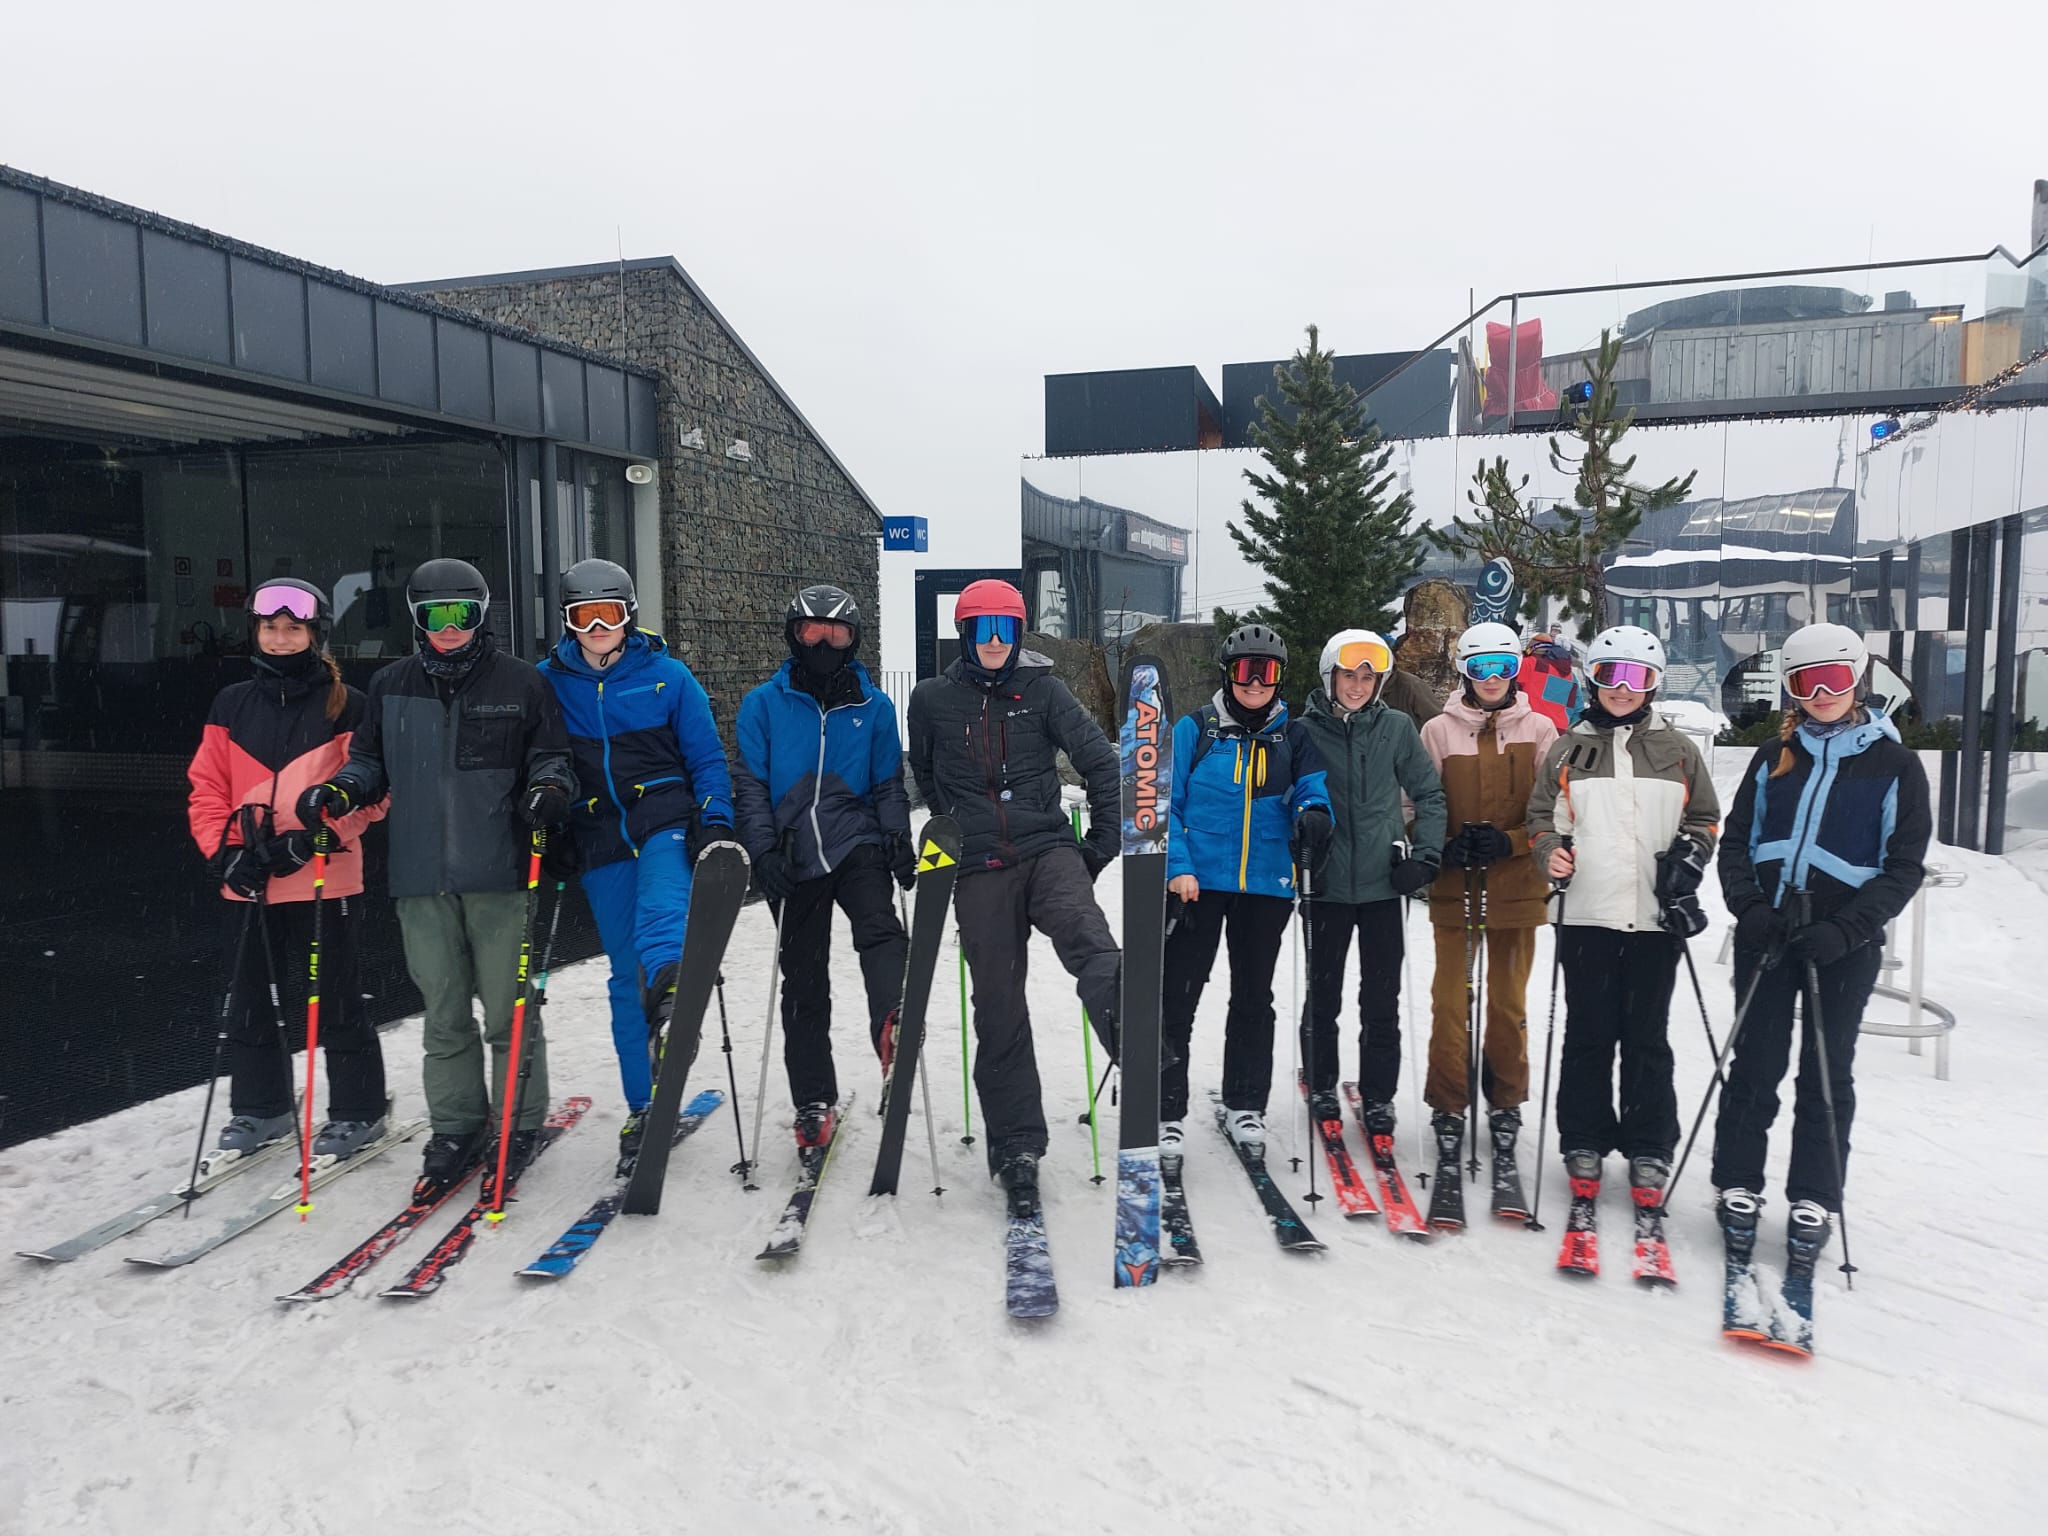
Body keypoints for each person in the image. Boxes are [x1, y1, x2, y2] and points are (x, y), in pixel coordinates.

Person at [300, 558, 575, 1184]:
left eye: (461, 615)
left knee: (509, 1010)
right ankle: (455, 1126)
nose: (448, 628)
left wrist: (549, 790)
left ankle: (517, 1119)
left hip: (500, 874)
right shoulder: (392, 686)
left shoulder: (522, 683)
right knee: (444, 1012)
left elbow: (550, 758)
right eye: (434, 616)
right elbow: (368, 763)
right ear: (417, 621)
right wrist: (341, 791)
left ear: (481, 616)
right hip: (421, 877)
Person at [1711, 622, 1930, 1265]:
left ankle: (1813, 1194)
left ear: (1858, 680)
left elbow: (1903, 866)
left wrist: (1847, 928)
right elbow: (1736, 842)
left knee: (1827, 1070)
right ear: (1791, 689)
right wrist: (1748, 908)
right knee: (1755, 1062)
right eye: (1808, 682)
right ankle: (1738, 1183)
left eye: (1836, 679)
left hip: (1840, 937)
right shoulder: (1773, 757)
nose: (1823, 693)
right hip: (1771, 928)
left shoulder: (1894, 764)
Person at [905, 578, 1120, 1216]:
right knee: (997, 1001)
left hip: (1048, 849)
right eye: (982, 630)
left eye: (1005, 630)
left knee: (1087, 935)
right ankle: (1017, 1145)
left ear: (1019, 634)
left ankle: (1130, 1028)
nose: (994, 642)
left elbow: (1100, 762)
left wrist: (1099, 846)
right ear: (965, 634)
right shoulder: (931, 698)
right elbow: (925, 771)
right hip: (977, 865)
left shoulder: (1045, 691)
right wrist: (956, 830)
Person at [536, 558, 735, 1170]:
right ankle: (645, 1102)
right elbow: (539, 757)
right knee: (625, 976)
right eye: (584, 616)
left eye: (610, 613)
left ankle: (675, 991)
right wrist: (550, 814)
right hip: (597, 833)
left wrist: (716, 817)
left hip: (663, 819)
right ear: (568, 623)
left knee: (663, 903)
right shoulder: (547, 683)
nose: (599, 627)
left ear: (629, 616)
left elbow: (706, 757)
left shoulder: (668, 677)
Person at [185, 578, 389, 1161]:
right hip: (248, 876)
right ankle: (261, 1106)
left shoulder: (350, 706)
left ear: (314, 633)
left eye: (292, 628)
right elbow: (206, 788)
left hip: (323, 876)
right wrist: (225, 853)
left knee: (335, 997)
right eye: (269, 627)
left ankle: (357, 1109)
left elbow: (374, 795)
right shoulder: (232, 703)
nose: (279, 638)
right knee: (248, 996)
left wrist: (315, 838)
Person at [1527, 624, 1719, 1215]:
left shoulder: (1679, 751)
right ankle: (1583, 1138)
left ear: (1654, 684)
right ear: (1594, 679)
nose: (1623, 688)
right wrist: (1547, 851)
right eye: (1612, 675)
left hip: (1655, 919)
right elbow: (1541, 817)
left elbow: (1705, 819)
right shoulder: (1566, 748)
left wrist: (1690, 857)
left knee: (1646, 1037)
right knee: (1588, 1034)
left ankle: (1648, 1145)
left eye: (1638, 677)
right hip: (1585, 913)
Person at [732, 584, 910, 1151]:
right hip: (792, 853)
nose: (826, 643)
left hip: (855, 840)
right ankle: (813, 1096)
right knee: (804, 980)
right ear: (793, 634)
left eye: (838, 634)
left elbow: (887, 784)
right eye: (814, 631)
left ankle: (893, 1023)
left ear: (854, 641)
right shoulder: (763, 704)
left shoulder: (874, 707)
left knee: (880, 927)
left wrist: (898, 838)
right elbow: (751, 785)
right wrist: (761, 853)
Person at [1161, 625, 1332, 1153]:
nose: (1255, 683)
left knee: (1255, 995)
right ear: (1227, 673)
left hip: (1266, 884)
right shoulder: (1197, 729)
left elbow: (1313, 789)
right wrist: (1179, 867)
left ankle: (1245, 1103)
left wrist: (1314, 817)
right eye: (1244, 670)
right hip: (1198, 884)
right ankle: (1165, 1107)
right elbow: (1166, 805)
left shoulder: (1295, 737)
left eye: (1268, 672)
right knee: (1178, 995)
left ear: (1281, 678)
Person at [1418, 620, 1560, 1193]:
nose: (1493, 679)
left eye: (1503, 668)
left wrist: (1515, 841)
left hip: (1514, 883)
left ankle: (1506, 1100)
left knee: (1507, 1002)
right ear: (1465, 673)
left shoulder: (1543, 728)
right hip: (1456, 882)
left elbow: (1555, 805)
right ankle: (1449, 1100)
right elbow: (1416, 799)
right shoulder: (1436, 730)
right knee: (1451, 1000)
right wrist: (1437, 844)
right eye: (1481, 669)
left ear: (1515, 671)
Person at [1297, 628, 1446, 1137]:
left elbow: (1429, 794)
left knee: (1381, 1000)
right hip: (1326, 885)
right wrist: (1301, 850)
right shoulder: (1304, 731)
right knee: (1324, 995)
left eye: (1368, 677)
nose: (1358, 687)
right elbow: (1284, 800)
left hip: (1386, 884)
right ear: (1329, 675)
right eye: (1348, 675)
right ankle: (1320, 1083)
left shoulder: (1398, 728)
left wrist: (1424, 857)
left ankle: (1378, 1094)